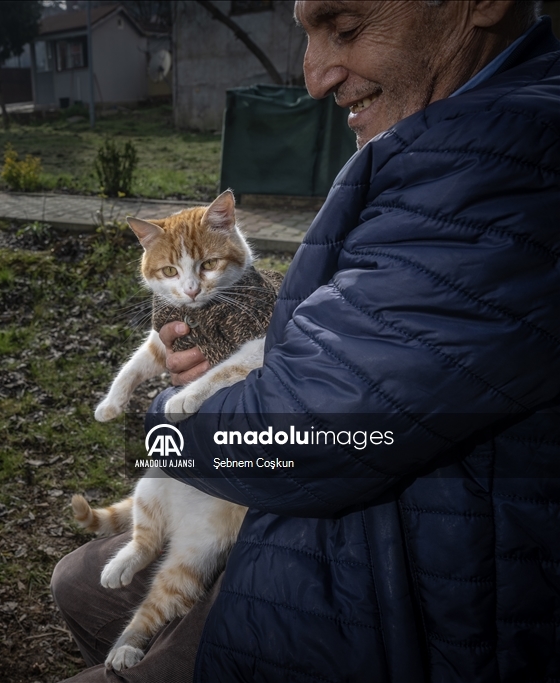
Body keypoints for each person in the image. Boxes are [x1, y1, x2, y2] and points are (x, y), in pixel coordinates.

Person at [52, 2, 559, 681]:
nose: (314, 76)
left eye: (345, 29)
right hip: (347, 525)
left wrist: (166, 422)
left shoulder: (505, 162)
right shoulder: (446, 134)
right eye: (308, 36)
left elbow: (307, 427)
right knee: (76, 581)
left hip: (391, 593)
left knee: (95, 600)